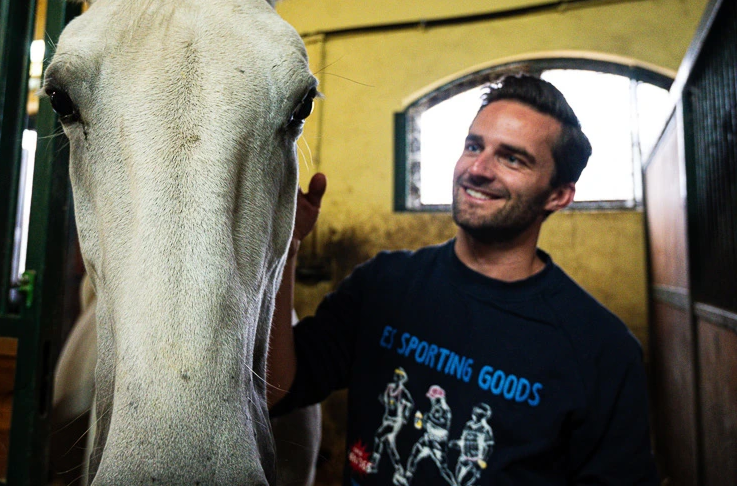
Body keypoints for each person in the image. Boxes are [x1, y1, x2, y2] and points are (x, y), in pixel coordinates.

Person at [268, 74, 660, 485]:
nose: (477, 169)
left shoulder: (603, 351)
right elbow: (277, 389)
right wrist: (285, 247)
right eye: (474, 146)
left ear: (557, 195)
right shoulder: (384, 283)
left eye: (512, 159)